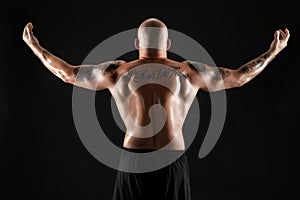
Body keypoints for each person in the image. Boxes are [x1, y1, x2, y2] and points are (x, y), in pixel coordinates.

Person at [22, 18, 290, 200]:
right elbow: (239, 76)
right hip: (171, 161)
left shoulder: (117, 72)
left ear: (137, 44)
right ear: (168, 45)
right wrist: (274, 51)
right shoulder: (188, 72)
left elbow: (67, 73)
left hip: (132, 161)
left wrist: (34, 46)